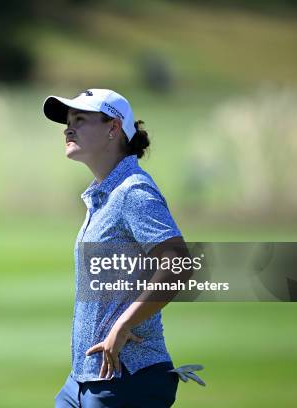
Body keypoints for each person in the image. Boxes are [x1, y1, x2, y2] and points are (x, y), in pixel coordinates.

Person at [43, 89, 191, 407]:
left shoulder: (132, 191)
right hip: (86, 378)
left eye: (80, 120)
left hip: (128, 379)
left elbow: (178, 264)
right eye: (68, 121)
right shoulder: (103, 194)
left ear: (113, 128)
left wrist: (124, 323)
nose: (68, 128)